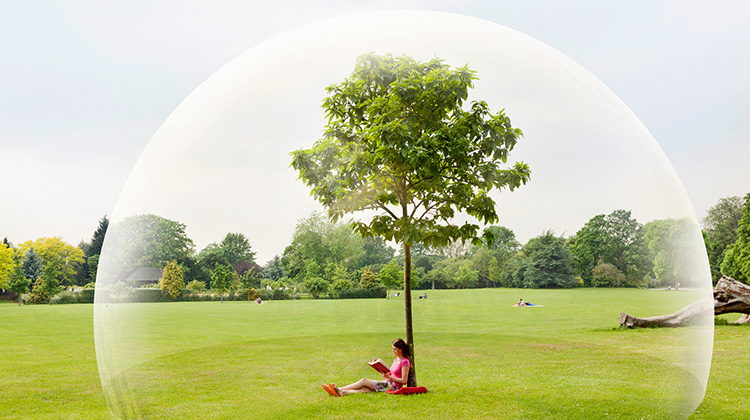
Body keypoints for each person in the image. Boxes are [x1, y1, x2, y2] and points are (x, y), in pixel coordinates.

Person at [322, 338, 411, 396]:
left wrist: (389, 377)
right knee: (365, 389)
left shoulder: (405, 361)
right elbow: (393, 373)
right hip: (388, 382)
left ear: (401, 349)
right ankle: (342, 392)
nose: (393, 351)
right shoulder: (396, 360)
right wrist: (380, 368)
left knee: (364, 381)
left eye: (395, 349)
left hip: (393, 386)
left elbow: (404, 381)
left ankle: (338, 389)